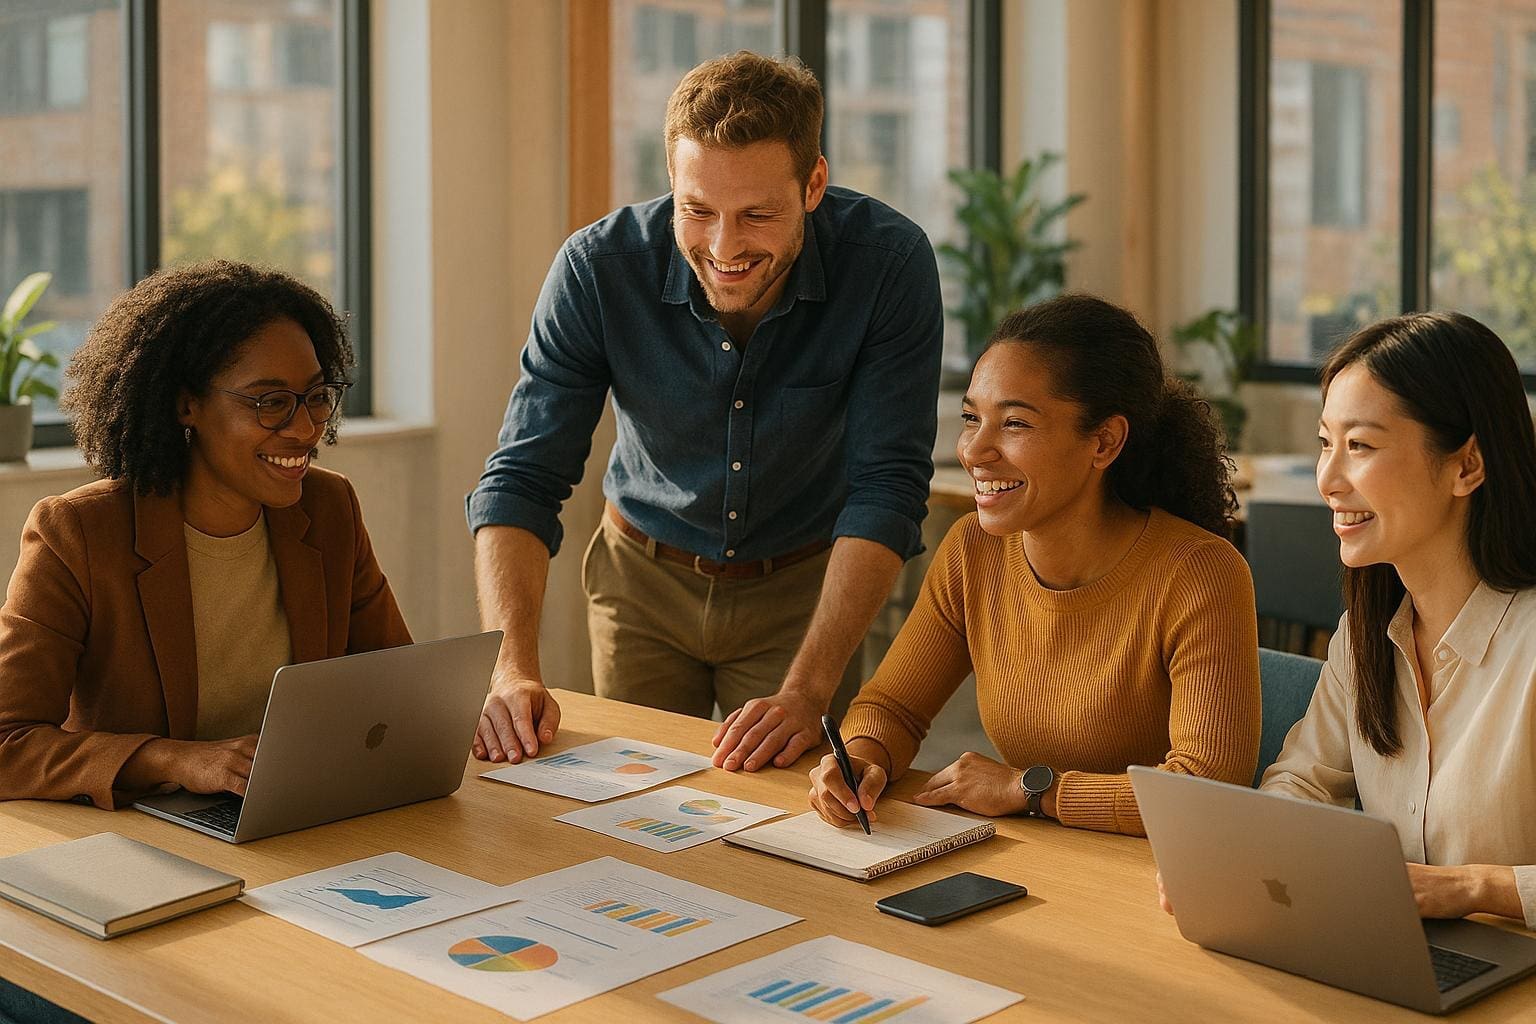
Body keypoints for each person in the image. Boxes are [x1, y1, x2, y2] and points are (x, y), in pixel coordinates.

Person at [467, 51, 943, 772]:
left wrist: (808, 689)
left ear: (814, 183)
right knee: (632, 817)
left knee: (795, 817)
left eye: (757, 215)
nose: (724, 248)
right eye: (698, 211)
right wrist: (510, 670)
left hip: (806, 589)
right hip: (643, 583)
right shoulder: (597, 268)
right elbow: (523, 479)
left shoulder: (887, 263)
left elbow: (887, 490)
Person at [809, 294, 1261, 837]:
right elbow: (894, 707)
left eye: (1016, 423)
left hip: (1162, 877)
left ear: (1104, 441)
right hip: (1039, 853)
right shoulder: (972, 550)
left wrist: (1031, 789)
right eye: (972, 418)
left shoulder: (1200, 573)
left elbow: (1205, 791)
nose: (976, 451)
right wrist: (860, 758)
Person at [0, 260, 411, 808]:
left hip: (294, 814)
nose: (306, 428)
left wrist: (480, 712)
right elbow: (8, 744)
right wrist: (175, 759)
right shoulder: (77, 533)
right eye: (270, 402)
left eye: (315, 396)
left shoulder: (330, 507)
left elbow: (400, 689)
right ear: (185, 403)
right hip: (145, 836)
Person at [1256, 311, 1536, 928]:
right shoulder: (1364, 635)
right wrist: (1249, 858)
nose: (1328, 480)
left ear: (1467, 466)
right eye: (1326, 442)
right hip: (1406, 960)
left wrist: (1476, 887)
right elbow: (1300, 781)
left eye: (1360, 445)